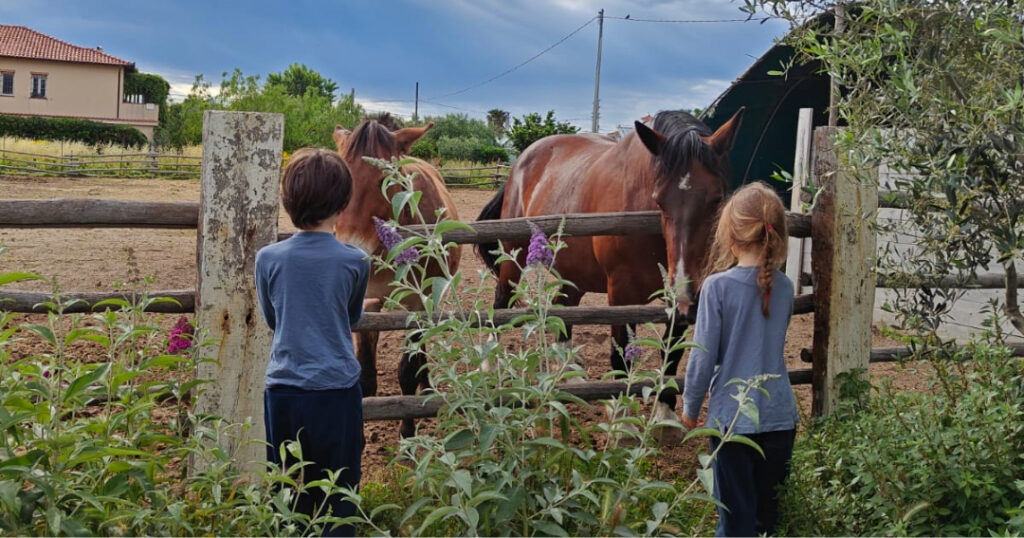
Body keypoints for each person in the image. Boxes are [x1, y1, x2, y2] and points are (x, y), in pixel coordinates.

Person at [255, 147, 374, 537]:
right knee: (340, 492)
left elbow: (274, 318)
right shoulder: (355, 261)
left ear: (287, 202)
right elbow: (351, 318)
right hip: (336, 391)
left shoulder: (267, 259)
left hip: (283, 390)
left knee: (287, 487)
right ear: (343, 204)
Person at [681, 182, 799, 537]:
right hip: (780, 419)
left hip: (733, 422)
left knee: (734, 522)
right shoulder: (786, 287)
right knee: (766, 521)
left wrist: (689, 407)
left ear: (729, 233)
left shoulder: (717, 288)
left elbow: (702, 358)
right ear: (775, 235)